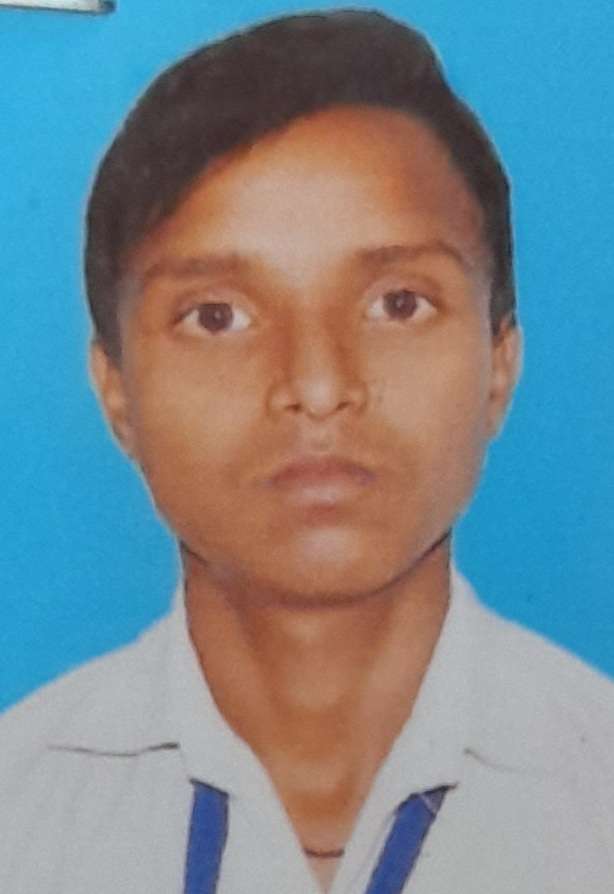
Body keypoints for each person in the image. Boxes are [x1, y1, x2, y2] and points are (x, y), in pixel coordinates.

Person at [1, 8, 613, 893]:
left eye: (397, 304)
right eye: (218, 316)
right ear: (116, 389)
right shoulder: (20, 808)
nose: (319, 386)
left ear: (500, 362)